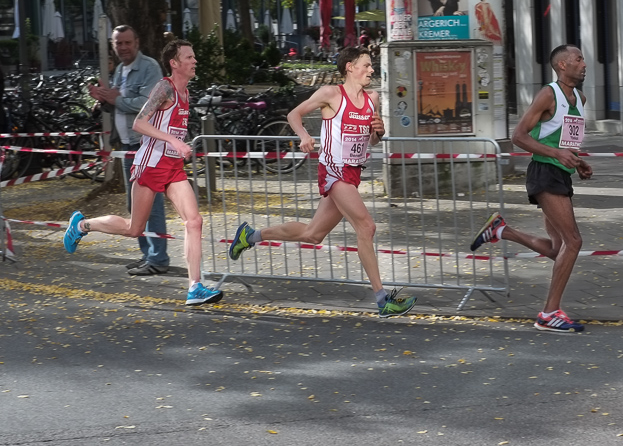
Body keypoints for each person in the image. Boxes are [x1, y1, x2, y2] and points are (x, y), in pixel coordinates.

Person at [228, 46, 416, 318]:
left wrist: (379, 133)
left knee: (313, 234)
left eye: (371, 65)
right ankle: (382, 299)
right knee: (367, 226)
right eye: (367, 64)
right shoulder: (331, 94)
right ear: (350, 67)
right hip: (333, 171)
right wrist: (304, 136)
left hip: (353, 173)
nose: (371, 70)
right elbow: (294, 114)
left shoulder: (372, 98)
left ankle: (249, 236)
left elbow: (372, 140)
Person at [65, 39, 223, 306]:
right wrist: (173, 141)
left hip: (172, 167)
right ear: (174, 63)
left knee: (194, 222)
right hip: (150, 163)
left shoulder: (186, 94)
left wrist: (177, 145)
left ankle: (195, 287)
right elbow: (139, 123)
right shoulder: (165, 87)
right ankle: (81, 225)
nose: (194, 61)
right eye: (189, 57)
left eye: (194, 57)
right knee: (134, 229)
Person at [470, 44, 592, 333]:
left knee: (558, 248)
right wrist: (557, 156)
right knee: (574, 242)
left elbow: (563, 142)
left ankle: (502, 230)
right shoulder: (549, 94)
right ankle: (549, 313)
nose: (584, 63)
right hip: (544, 172)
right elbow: (518, 136)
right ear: (563, 65)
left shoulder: (580, 99)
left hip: (561, 173)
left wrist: (577, 162)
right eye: (579, 59)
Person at [87, 25, 171, 276]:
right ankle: (147, 255)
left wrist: (115, 99)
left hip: (146, 147)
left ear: (137, 42)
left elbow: (150, 103)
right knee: (135, 206)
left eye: (127, 43)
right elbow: (120, 105)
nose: (123, 48)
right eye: (118, 44)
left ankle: (158, 259)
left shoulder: (149, 67)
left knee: (150, 206)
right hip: (127, 147)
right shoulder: (121, 70)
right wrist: (103, 101)